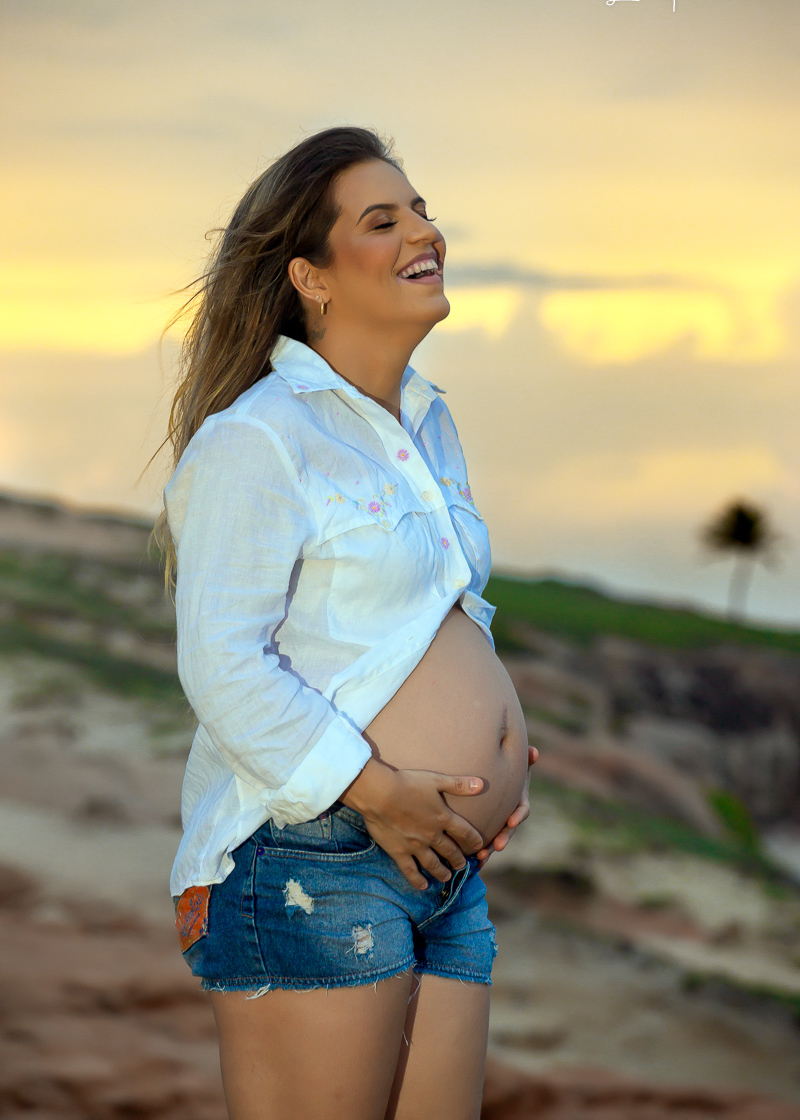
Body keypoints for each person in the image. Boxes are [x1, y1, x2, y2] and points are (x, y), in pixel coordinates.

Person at [152, 125, 538, 1120]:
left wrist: (496, 761)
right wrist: (380, 789)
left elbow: (425, 618)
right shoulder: (260, 438)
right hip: (312, 852)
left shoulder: (427, 422)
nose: (424, 232)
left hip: (438, 859)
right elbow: (223, 665)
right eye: (382, 219)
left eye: (421, 211)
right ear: (311, 277)